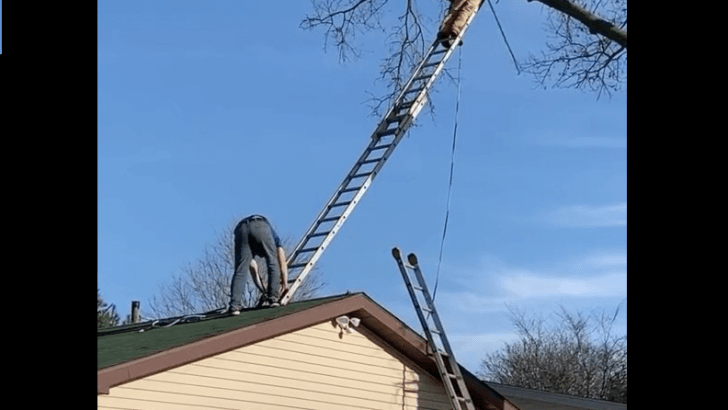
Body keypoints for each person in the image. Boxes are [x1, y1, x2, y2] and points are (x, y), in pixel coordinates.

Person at [228, 215, 288, 314]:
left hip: (241, 230)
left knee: (240, 270)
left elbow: (252, 268)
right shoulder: (273, 238)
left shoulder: (251, 248)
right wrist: (285, 284)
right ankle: (274, 299)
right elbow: (281, 260)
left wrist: (263, 290)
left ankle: (234, 306)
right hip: (260, 226)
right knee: (272, 262)